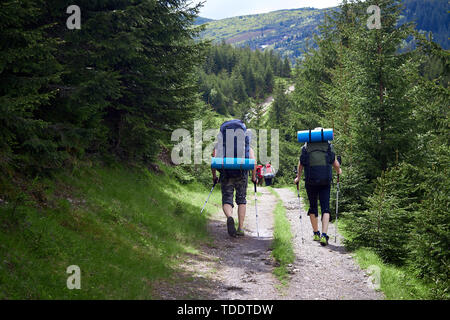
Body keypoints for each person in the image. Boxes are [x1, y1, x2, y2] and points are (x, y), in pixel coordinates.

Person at [294, 129, 342, 246]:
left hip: (310, 181)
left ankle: (316, 233)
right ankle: (324, 236)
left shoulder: (305, 147)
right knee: (325, 207)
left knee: (313, 206)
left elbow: (301, 165)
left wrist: (298, 178)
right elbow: (335, 164)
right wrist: (339, 171)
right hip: (325, 181)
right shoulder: (328, 146)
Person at [212, 120, 257, 238]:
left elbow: (214, 160)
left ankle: (229, 217)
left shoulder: (220, 144)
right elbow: (253, 161)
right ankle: (241, 228)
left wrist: (214, 176)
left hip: (226, 173)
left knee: (227, 199)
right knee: (242, 199)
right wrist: (253, 176)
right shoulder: (245, 144)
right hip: (242, 173)